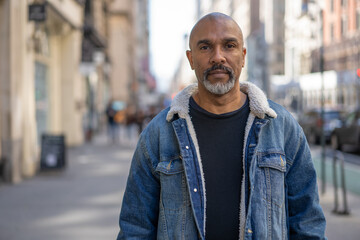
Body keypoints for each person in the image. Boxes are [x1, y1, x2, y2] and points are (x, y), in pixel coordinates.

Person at [117, 12, 326, 240]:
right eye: (205, 47)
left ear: (243, 55)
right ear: (191, 59)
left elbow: (307, 223)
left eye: (229, 45)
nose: (218, 57)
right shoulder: (159, 133)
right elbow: (135, 229)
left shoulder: (282, 127)